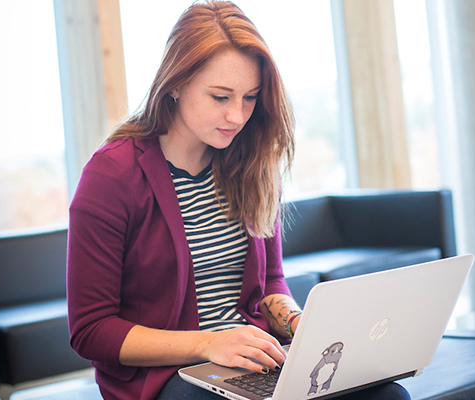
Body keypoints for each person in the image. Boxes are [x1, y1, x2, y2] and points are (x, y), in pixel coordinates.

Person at [66, 1, 411, 399]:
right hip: (166, 376)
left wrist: (301, 325)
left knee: (388, 395)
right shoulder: (113, 175)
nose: (237, 116)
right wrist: (207, 343)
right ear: (175, 84)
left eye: (249, 98)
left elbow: (269, 283)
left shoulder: (252, 160)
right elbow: (90, 330)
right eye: (220, 97)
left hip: (250, 360)